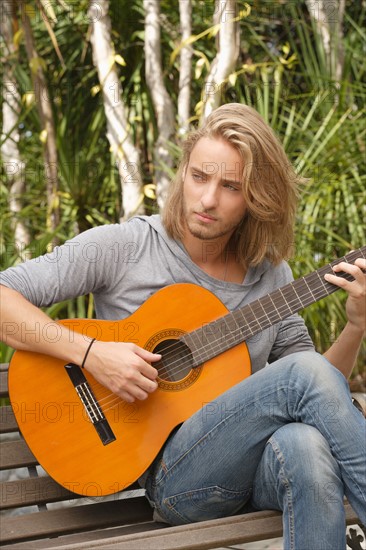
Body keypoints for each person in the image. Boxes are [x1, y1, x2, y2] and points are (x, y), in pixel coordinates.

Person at [0, 103, 365, 549]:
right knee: (301, 374)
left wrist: (356, 325)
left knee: (307, 442)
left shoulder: (272, 275)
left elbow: (322, 391)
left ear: (257, 197)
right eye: (199, 177)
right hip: (177, 482)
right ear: (183, 174)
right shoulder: (126, 246)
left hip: (259, 470)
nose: (208, 199)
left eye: (230, 186)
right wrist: (92, 354)